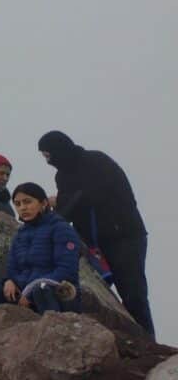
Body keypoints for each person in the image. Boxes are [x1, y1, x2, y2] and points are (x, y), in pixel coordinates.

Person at [41, 130, 153, 336]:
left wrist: (61, 200)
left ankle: (149, 343)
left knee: (133, 293)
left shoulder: (96, 161)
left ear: (59, 149)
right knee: (99, 297)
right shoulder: (62, 175)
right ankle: (128, 341)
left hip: (125, 236)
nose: (48, 161)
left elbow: (94, 194)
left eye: (48, 155)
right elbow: (71, 209)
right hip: (95, 244)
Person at [0, 183, 81, 314]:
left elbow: (66, 270)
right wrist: (9, 281)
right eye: (18, 204)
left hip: (53, 293)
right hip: (22, 295)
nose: (23, 208)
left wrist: (29, 292)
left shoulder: (61, 229)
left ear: (43, 203)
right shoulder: (20, 234)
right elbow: (11, 269)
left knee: (41, 289)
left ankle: (52, 328)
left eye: (27, 202)